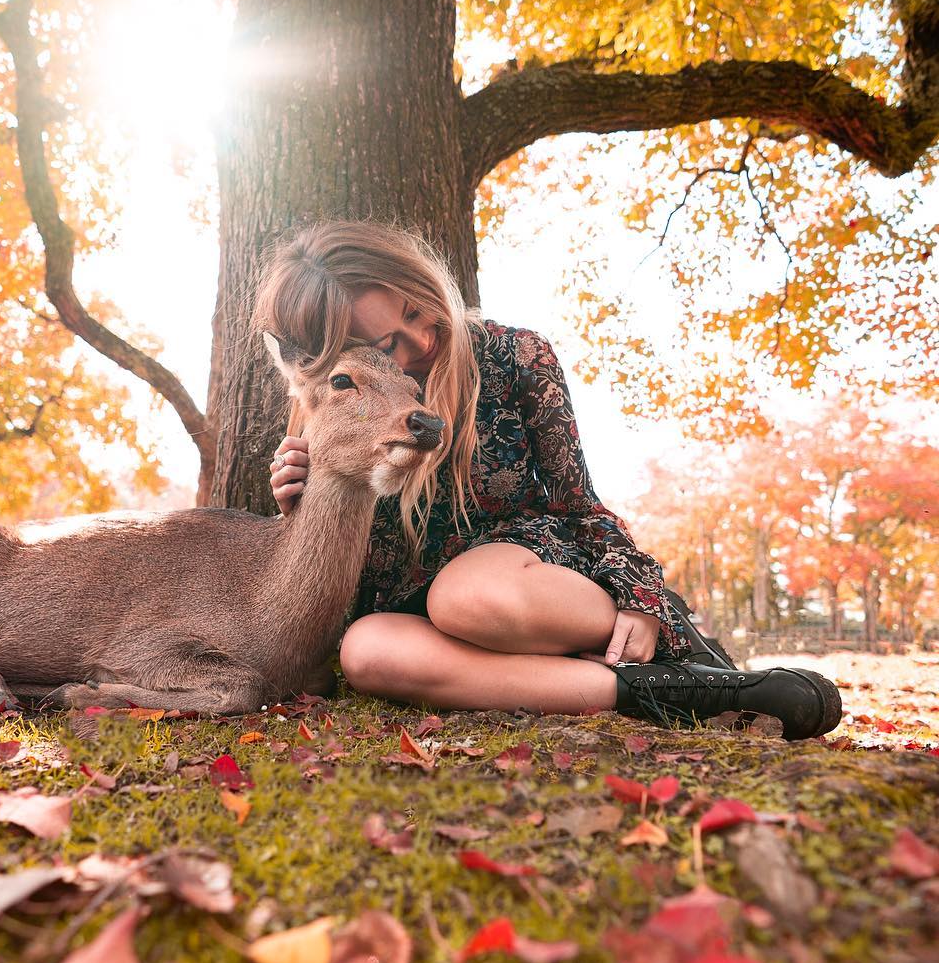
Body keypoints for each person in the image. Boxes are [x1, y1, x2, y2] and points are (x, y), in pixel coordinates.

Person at [255, 220, 841, 740]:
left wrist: (639, 601)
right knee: (367, 653)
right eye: (387, 344)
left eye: (416, 310)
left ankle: (674, 643)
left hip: (520, 574)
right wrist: (305, 510)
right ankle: (663, 690)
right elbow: (342, 558)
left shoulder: (517, 355)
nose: (423, 340)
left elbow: (580, 502)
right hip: (415, 615)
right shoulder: (338, 405)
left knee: (467, 598)